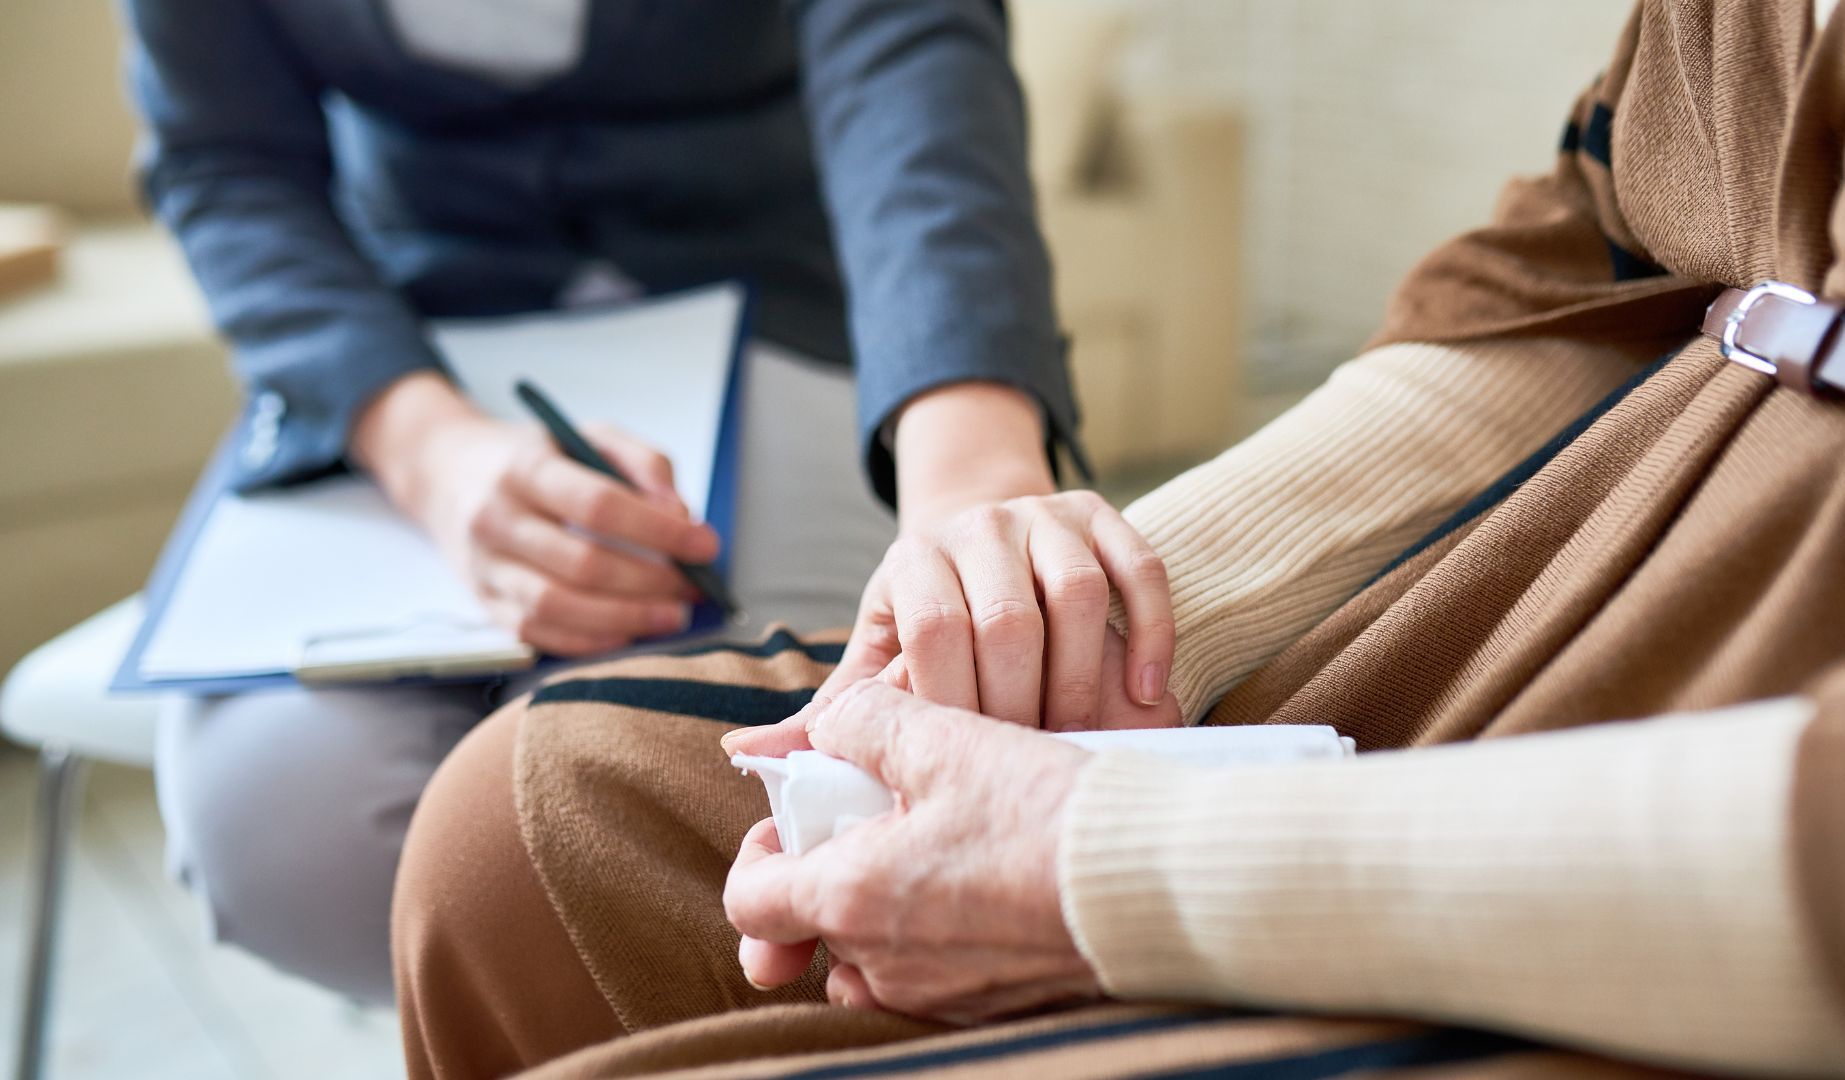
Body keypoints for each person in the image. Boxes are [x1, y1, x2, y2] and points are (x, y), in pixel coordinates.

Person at [393, 0, 1845, 1076]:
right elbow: (1594, 260)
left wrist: (1117, 865)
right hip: (1562, 563)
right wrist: (1096, 603)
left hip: (1812, 836)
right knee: (512, 834)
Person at [122, 0, 1176, 1003]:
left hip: (782, 304)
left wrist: (972, 473)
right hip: (406, 354)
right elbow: (224, 160)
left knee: (764, 812)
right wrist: (431, 455)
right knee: (282, 842)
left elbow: (908, 64)